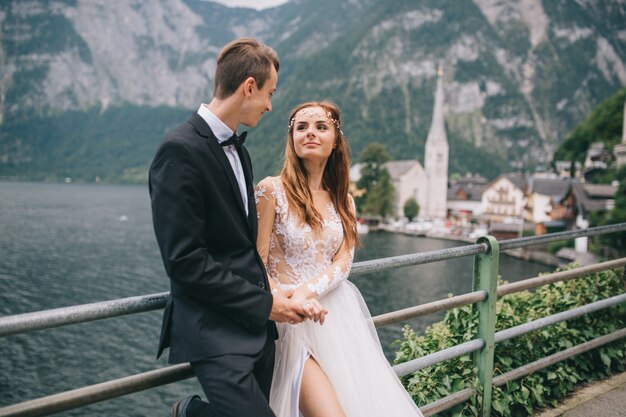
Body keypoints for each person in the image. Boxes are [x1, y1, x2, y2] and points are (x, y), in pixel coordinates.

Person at [149, 38, 322, 417]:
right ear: (248, 86)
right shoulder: (178, 150)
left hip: (258, 332)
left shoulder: (240, 151)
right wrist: (266, 305)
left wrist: (276, 301)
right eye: (269, 93)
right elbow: (185, 262)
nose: (270, 105)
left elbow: (244, 248)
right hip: (214, 333)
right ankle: (191, 413)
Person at [255, 101, 424, 416]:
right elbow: (257, 260)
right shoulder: (270, 191)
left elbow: (343, 262)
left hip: (337, 317)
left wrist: (309, 291)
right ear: (291, 138)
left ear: (335, 141)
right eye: (301, 127)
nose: (310, 133)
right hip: (290, 322)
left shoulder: (343, 200)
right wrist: (288, 300)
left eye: (321, 127)